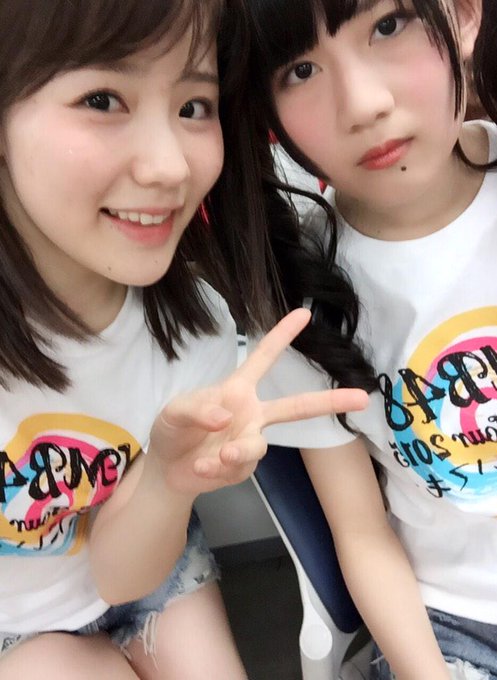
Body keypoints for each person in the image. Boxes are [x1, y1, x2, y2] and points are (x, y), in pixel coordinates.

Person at [0, 2, 370, 678]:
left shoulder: (196, 329)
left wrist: (169, 482)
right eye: (102, 99)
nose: (170, 166)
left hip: (143, 571)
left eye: (194, 107)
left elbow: (121, 575)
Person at [218, 0, 497, 678]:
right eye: (300, 70)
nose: (363, 104)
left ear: (465, 15)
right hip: (455, 631)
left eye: (388, 25)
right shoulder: (298, 291)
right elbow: (362, 532)